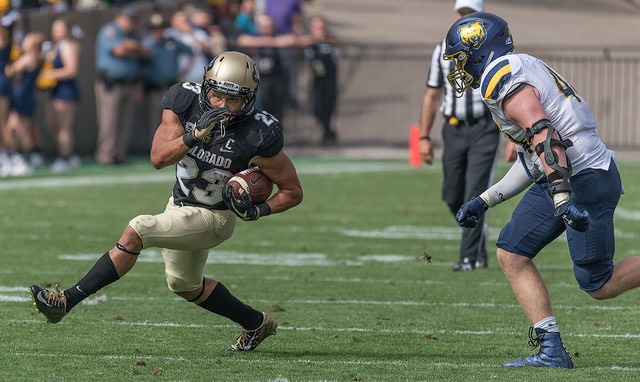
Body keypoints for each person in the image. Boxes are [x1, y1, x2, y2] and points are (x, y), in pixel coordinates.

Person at [28, 50, 304, 352]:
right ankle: (256, 323)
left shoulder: (258, 132)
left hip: (215, 217)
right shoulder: (184, 101)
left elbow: (292, 191)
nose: (223, 106)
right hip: (179, 205)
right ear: (206, 88)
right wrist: (194, 136)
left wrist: (260, 210)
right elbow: (158, 158)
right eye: (217, 96)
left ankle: (66, 301)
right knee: (184, 284)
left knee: (138, 230)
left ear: (248, 100)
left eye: (233, 99)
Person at [447, 12, 640, 368]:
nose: (459, 68)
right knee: (512, 251)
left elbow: (543, 135)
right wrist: (485, 200)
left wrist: (562, 199)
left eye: (460, 57)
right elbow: (534, 158)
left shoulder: (499, 77)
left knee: (598, 283)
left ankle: (552, 349)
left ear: (479, 50)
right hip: (565, 172)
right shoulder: (518, 65)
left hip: (583, 176)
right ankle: (551, 349)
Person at [419, 0, 515, 272]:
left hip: (484, 128)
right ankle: (477, 236)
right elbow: (431, 93)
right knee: (452, 195)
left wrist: (511, 137)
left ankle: (469, 258)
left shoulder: (490, 48)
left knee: (475, 191)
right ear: (455, 14)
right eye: (462, 14)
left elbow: (505, 94)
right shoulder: (442, 49)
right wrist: (423, 137)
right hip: (452, 128)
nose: (465, 19)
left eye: (470, 15)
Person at [94, 7, 148, 165]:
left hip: (129, 84)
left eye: (132, 21)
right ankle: (106, 155)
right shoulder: (109, 30)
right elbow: (118, 51)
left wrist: (131, 47)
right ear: (119, 17)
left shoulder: (132, 35)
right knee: (109, 121)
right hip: (111, 84)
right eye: (127, 20)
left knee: (125, 122)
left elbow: (145, 53)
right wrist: (133, 48)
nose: (129, 23)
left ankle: (119, 155)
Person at [140, 12, 192, 150]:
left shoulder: (172, 42)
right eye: (154, 29)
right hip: (154, 88)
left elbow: (191, 50)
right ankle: (154, 149)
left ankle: (172, 148)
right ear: (150, 30)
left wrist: (186, 69)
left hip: (171, 88)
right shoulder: (146, 44)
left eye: (160, 28)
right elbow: (139, 67)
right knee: (153, 121)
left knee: (174, 121)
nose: (158, 31)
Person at [38, 18, 82, 174]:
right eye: (54, 28)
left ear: (67, 30)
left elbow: (71, 70)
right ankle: (67, 153)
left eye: (59, 28)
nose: (55, 32)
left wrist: (50, 74)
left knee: (64, 126)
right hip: (55, 90)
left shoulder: (69, 46)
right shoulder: (54, 47)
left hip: (66, 90)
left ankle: (66, 157)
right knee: (51, 123)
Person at [3, 31, 45, 176]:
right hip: (23, 96)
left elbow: (10, 71)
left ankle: (26, 160)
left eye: (26, 41)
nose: (23, 43)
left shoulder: (29, 57)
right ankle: (21, 157)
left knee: (23, 131)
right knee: (12, 129)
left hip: (24, 97)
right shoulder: (32, 57)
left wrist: (7, 60)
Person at [302, 15, 339, 145]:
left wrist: (326, 39)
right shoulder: (310, 42)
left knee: (328, 107)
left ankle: (327, 133)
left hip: (329, 81)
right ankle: (328, 131)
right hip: (316, 81)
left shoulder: (331, 42)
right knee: (315, 107)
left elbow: (338, 43)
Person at [0, 2, 20, 176]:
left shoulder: (3, 32)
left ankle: (15, 156)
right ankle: (4, 155)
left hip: (1, 82)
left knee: (3, 122)